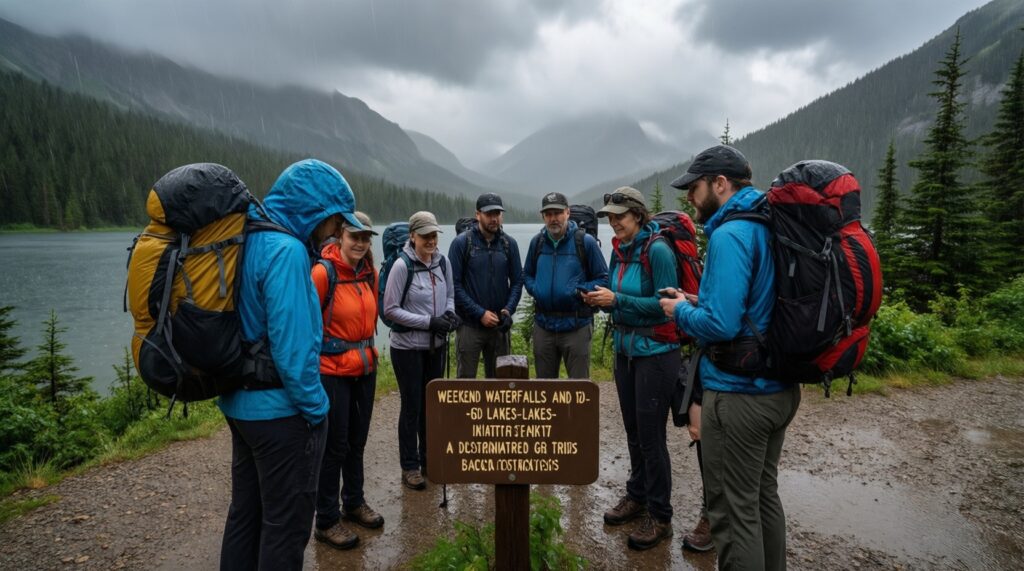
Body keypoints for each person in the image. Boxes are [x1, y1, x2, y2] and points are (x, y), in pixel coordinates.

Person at [218, 158, 364, 570]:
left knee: (245, 516)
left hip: (240, 405)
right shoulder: (287, 251)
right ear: (314, 211)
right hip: (280, 415)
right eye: (334, 221)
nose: (336, 231)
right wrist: (318, 412)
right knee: (285, 528)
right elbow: (294, 353)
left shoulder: (249, 238)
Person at [660, 145, 800, 570]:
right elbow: (749, 306)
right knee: (762, 496)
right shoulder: (764, 222)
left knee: (732, 512)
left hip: (740, 395)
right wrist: (696, 298)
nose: (690, 198)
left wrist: (679, 310)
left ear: (720, 184)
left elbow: (720, 325)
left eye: (695, 188)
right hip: (778, 385)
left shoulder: (729, 234)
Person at [583, 186, 680, 551]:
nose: (613, 222)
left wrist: (618, 299)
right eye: (609, 216)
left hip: (657, 353)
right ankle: (637, 495)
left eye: (619, 216)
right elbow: (614, 293)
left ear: (638, 215)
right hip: (626, 352)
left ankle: (661, 516)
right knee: (633, 431)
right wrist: (599, 297)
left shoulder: (657, 250)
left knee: (652, 437)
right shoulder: (619, 250)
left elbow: (667, 304)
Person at [311, 211, 383, 550]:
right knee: (334, 447)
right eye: (355, 236)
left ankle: (353, 502)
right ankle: (326, 520)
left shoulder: (369, 273)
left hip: (365, 368)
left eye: (366, 237)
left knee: (357, 441)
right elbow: (308, 327)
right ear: (340, 235)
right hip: (332, 372)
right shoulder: (322, 273)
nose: (360, 243)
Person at [383, 211, 459, 490]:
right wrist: (429, 322)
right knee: (412, 405)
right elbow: (390, 310)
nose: (430, 240)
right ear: (412, 236)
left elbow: (450, 294)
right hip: (406, 349)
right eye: (424, 235)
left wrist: (449, 316)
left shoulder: (443, 262)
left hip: (435, 346)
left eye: (433, 234)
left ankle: (430, 459)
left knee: (432, 404)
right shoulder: (402, 267)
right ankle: (410, 466)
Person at [523, 192, 609, 379]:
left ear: (568, 213)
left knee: (578, 392)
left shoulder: (584, 242)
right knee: (545, 390)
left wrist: (580, 291)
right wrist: (536, 288)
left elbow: (603, 278)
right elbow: (527, 274)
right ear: (543, 216)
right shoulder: (537, 243)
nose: (553, 218)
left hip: (576, 326)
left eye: (558, 213)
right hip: (543, 326)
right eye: (549, 214)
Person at [449, 193, 523, 378]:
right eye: (489, 213)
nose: (494, 218)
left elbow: (517, 282)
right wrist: (479, 313)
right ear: (478, 215)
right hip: (469, 325)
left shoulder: (509, 244)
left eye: (497, 213)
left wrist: (508, 310)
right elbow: (454, 286)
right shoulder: (461, 243)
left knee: (500, 383)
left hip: (499, 327)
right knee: (466, 386)